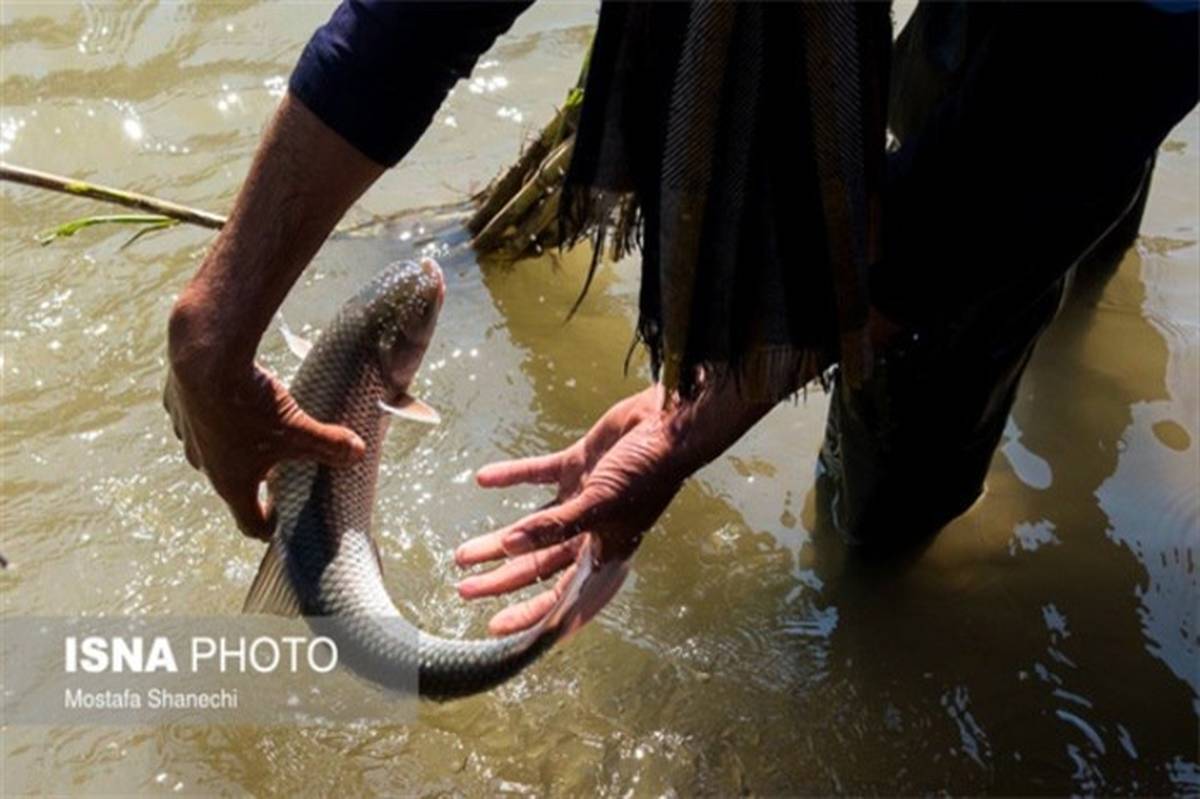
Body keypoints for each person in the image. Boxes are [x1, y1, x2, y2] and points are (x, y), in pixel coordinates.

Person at [165, 1, 1198, 636]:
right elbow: (412, 21)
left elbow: (1042, 145)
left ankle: (880, 569)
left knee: (1008, 215)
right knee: (957, 86)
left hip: (1118, 35)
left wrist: (700, 417)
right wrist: (217, 319)